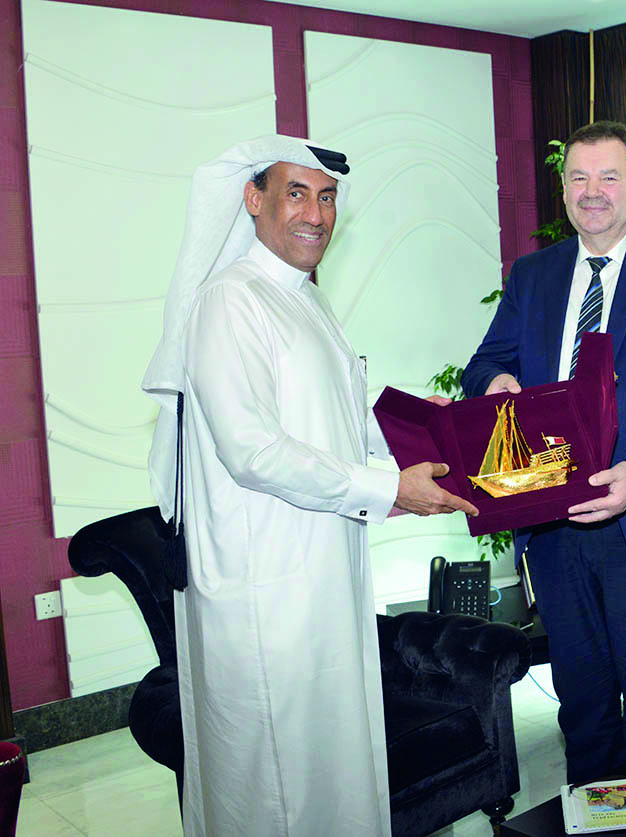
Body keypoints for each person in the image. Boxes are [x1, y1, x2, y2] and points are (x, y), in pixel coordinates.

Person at [141, 136, 477, 836]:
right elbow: (253, 450)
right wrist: (390, 490)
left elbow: (344, 418)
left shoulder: (305, 300)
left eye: (326, 197)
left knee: (331, 769)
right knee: (273, 782)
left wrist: (429, 428)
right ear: (253, 198)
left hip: (322, 573)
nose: (316, 214)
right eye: (296, 192)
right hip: (267, 590)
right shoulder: (230, 301)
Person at [461, 120, 626, 783]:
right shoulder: (533, 275)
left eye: (609, 177)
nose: (593, 191)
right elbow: (485, 362)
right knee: (581, 704)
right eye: (579, 177)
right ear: (564, 190)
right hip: (552, 522)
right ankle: (593, 822)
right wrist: (495, 382)